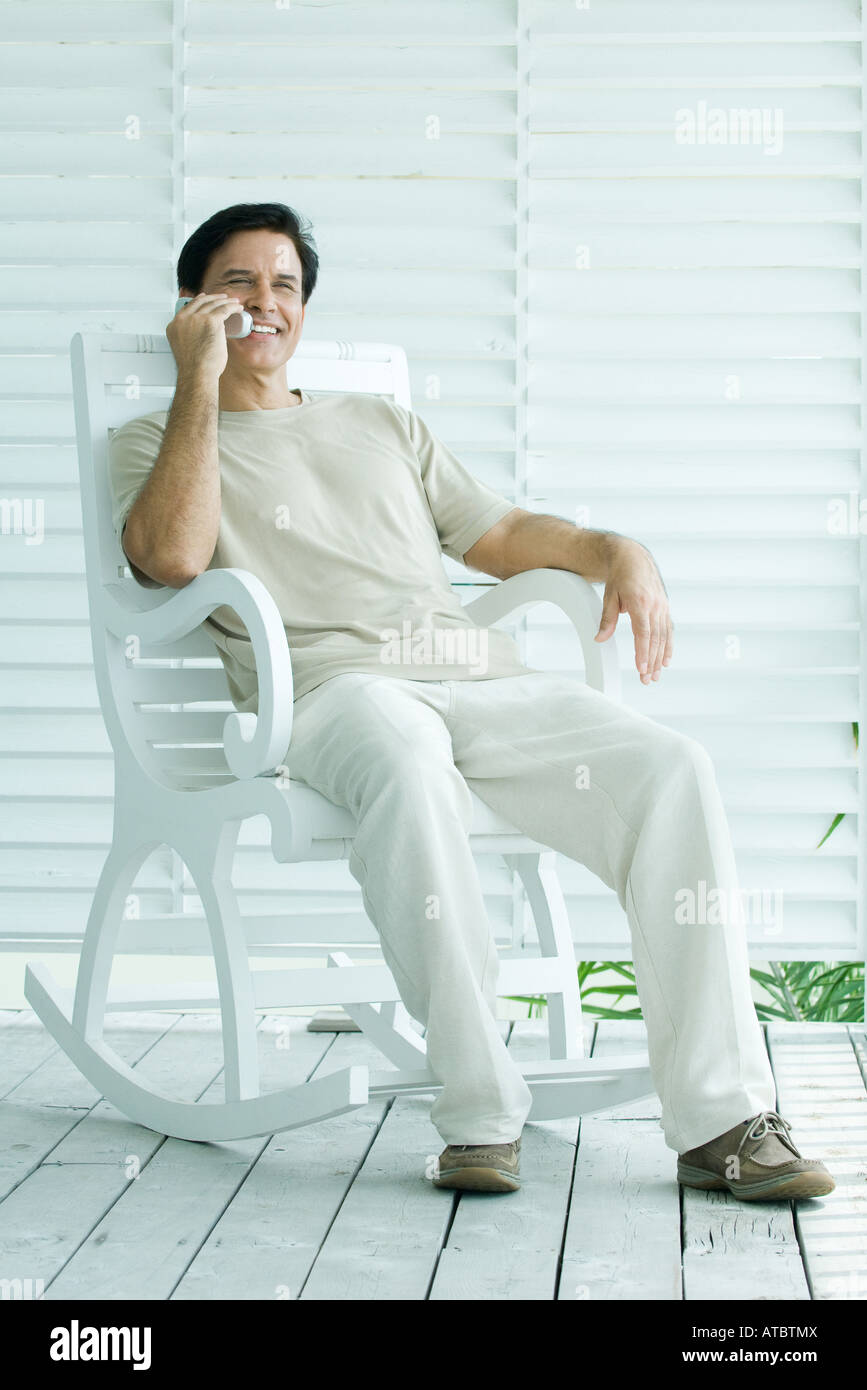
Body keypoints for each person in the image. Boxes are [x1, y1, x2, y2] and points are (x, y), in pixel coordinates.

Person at [108, 202, 835, 1201]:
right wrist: (196, 376)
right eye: (239, 282)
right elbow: (172, 557)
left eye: (284, 284)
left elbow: (496, 536)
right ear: (196, 302)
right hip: (333, 694)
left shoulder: (379, 424)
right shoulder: (156, 438)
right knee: (407, 763)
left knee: (673, 768)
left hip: (471, 673)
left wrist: (614, 549)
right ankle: (480, 1108)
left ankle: (723, 1118)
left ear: (305, 308)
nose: (264, 302)